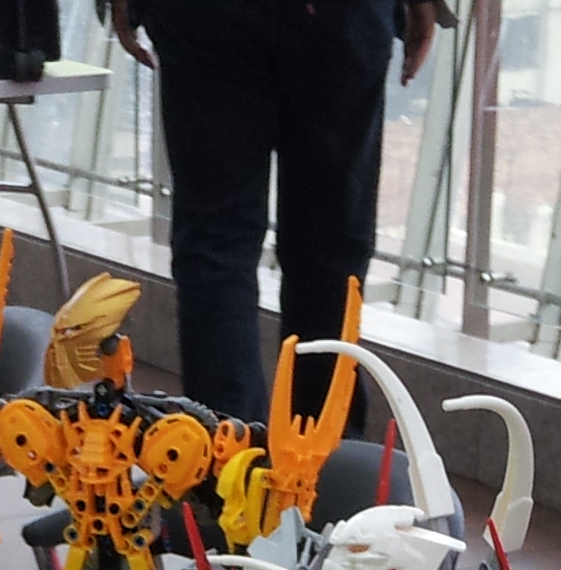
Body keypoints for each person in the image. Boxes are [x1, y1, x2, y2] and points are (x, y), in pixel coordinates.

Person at [104, 0, 446, 426]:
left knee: (216, 240)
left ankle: (225, 450)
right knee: (331, 248)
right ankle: (324, 451)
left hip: (205, 20)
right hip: (338, 21)